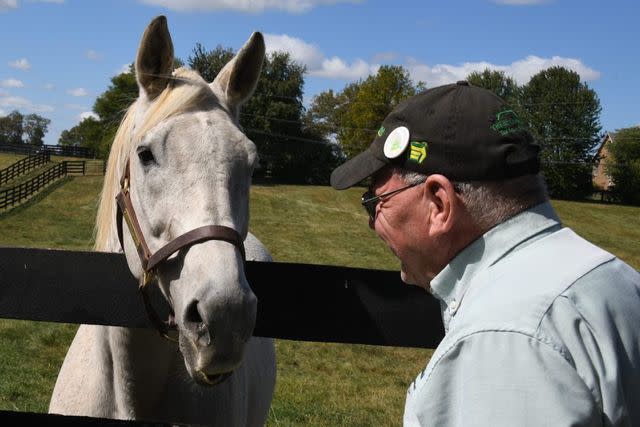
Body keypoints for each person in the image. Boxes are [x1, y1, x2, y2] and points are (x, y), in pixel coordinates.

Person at [330, 81, 640, 426]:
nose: (373, 224)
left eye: (375, 203)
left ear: (438, 203)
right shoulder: (616, 278)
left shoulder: (500, 341)